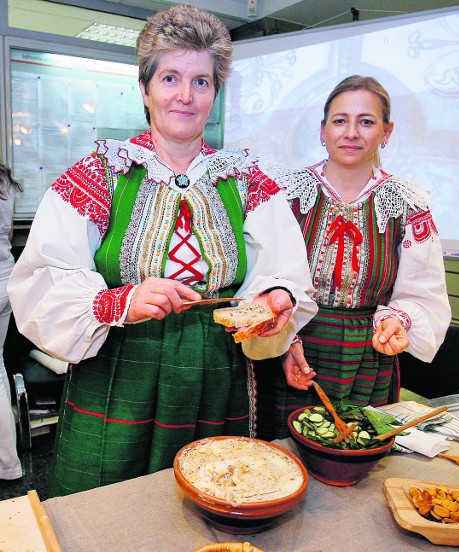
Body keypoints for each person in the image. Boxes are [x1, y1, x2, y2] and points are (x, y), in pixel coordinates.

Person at [8, 4, 316, 497]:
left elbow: (284, 270)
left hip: (218, 370)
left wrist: (275, 299)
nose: (185, 95)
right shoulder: (100, 174)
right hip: (119, 370)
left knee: (216, 498)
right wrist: (120, 302)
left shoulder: (247, 179)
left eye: (202, 82)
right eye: (170, 77)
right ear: (145, 88)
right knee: (112, 510)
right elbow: (42, 277)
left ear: (215, 94)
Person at [257, 75, 451, 439]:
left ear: (386, 132)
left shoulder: (408, 205)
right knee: (282, 454)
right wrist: (283, 340)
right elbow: (262, 278)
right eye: (340, 120)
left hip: (367, 356)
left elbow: (422, 293)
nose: (351, 133)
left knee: (359, 455)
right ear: (323, 129)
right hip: (293, 346)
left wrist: (399, 321)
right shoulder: (284, 196)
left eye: (366, 121)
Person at [0, 162, 23, 481]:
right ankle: (9, 464)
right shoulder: (4, 180)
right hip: (6, 279)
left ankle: (8, 464)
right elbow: (8, 234)